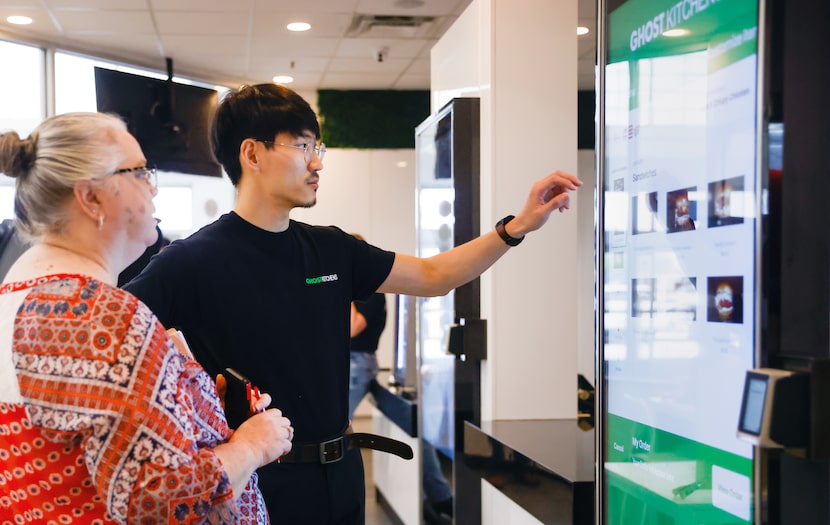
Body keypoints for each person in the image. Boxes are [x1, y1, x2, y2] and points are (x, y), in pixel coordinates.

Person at [124, 83, 582, 523]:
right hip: (258, 483)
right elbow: (119, 337)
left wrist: (515, 227)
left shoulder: (332, 249)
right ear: (252, 153)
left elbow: (434, 275)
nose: (316, 163)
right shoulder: (192, 260)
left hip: (342, 473)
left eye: (317, 149)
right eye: (302, 146)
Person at [0, 112, 294, 524]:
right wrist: (252, 446)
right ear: (91, 197)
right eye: (139, 172)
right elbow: (159, 501)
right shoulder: (102, 316)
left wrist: (201, 414)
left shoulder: (17, 295)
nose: (153, 189)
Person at [344, 246, 452, 524]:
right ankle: (440, 498)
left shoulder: (368, 291)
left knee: (332, 429)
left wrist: (343, 288)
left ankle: (440, 499)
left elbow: (354, 326)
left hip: (357, 363)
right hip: (356, 364)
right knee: (412, 424)